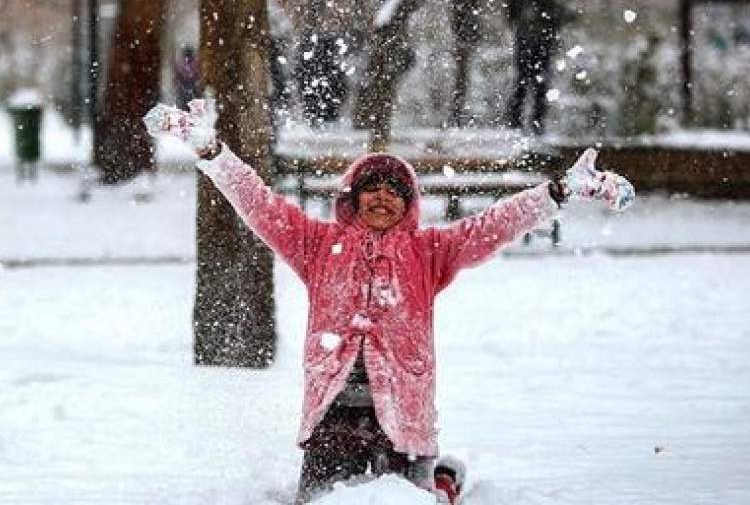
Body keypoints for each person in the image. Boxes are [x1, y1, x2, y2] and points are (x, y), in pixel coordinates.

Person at [143, 99, 634, 504]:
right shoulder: (316, 244)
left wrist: (559, 192)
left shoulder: (430, 251)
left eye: (394, 191)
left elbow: (495, 224)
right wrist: (211, 150)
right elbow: (258, 202)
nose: (381, 198)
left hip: (402, 412)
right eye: (370, 189)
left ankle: (441, 481)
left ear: (410, 203)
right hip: (332, 414)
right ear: (351, 199)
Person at [505, 0, 572, 135]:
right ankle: (521, 122)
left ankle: (530, 123)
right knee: (527, 81)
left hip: (539, 35)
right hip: (533, 35)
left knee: (534, 82)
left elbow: (561, 8)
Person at [173, 45, 202, 111]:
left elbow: (179, 74)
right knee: (186, 102)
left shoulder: (189, 63)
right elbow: (179, 74)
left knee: (189, 102)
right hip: (187, 86)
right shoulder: (191, 63)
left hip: (189, 86)